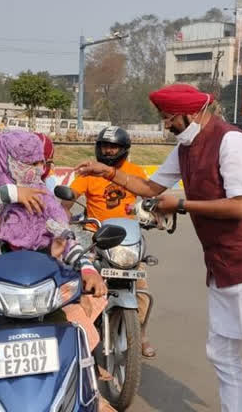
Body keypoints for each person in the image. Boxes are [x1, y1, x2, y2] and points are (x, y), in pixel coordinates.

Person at [74, 84, 242, 412]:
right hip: (221, 263)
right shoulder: (184, 147)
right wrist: (107, 172)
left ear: (191, 113)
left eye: (168, 118)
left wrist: (180, 205)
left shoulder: (232, 143)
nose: (166, 125)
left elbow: (239, 207)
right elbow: (150, 186)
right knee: (221, 353)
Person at [0, 131, 113, 412]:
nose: (36, 170)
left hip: (39, 294)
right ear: (5, 159)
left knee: (77, 336)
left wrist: (86, 268)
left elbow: (63, 238)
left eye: (39, 163)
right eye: (28, 163)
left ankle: (92, 392)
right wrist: (10, 193)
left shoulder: (43, 197)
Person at [69, 126, 156, 358]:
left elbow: (151, 199)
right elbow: (67, 200)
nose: (108, 151)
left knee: (141, 287)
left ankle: (141, 333)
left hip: (127, 237)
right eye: (105, 146)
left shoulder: (135, 172)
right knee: (80, 283)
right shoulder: (87, 174)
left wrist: (152, 214)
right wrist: (62, 216)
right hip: (94, 236)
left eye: (113, 147)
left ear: (124, 150)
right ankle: (80, 332)